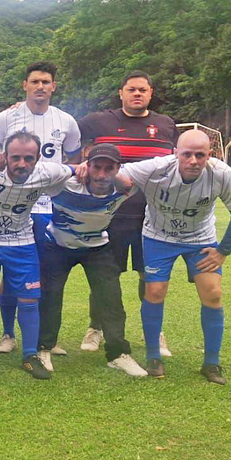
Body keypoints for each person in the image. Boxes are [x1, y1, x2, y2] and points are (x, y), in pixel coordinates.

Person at [111, 130, 231, 384]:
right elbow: (120, 172)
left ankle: (211, 363)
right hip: (159, 237)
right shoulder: (157, 168)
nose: (193, 160)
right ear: (175, 154)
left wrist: (223, 251)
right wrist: (92, 168)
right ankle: (153, 356)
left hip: (200, 240)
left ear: (210, 155)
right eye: (187, 154)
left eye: (200, 155)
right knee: (155, 291)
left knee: (213, 293)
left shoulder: (221, 173)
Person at [0, 61, 80, 355]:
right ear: (25, 85)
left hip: (50, 207)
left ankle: (46, 338)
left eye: (45, 82)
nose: (40, 87)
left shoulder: (66, 121)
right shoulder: (5, 118)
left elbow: (72, 161)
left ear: (53, 87)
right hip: (11, 208)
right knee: (10, 276)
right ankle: (8, 334)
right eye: (34, 81)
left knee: (47, 274)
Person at [77, 70, 178, 355]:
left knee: (151, 277)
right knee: (105, 276)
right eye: (131, 89)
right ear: (121, 93)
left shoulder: (166, 124)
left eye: (142, 90)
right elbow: (64, 133)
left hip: (154, 219)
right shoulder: (99, 121)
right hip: (111, 216)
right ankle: (95, 328)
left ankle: (154, 331)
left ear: (150, 93)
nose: (137, 94)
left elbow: (177, 162)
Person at [0, 131, 75, 379]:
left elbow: (79, 170)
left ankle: (30, 355)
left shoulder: (47, 172)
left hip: (21, 242)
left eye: (28, 158)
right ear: (4, 154)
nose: (21, 164)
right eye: (15, 157)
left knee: (29, 299)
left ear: (37, 159)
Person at [36, 144, 147, 376]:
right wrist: (71, 168)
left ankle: (118, 354)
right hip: (58, 245)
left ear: (118, 169)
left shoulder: (126, 187)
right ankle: (43, 348)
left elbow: (160, 169)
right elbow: (38, 168)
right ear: (87, 164)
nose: (102, 175)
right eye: (97, 167)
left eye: (109, 169)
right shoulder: (64, 183)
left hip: (97, 247)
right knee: (50, 295)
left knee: (111, 299)